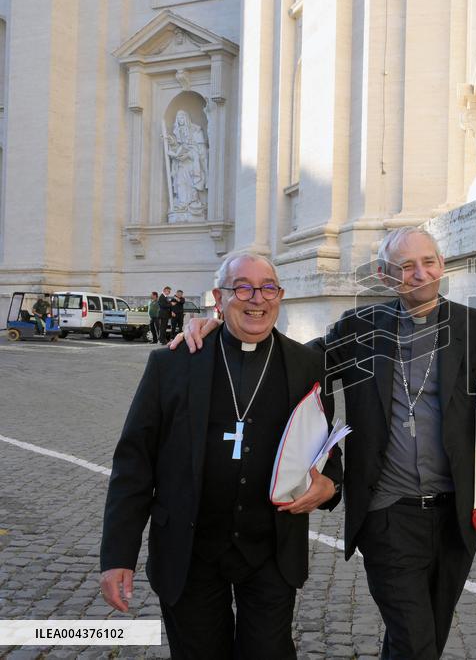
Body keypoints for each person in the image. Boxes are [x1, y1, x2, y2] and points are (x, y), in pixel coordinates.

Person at [177, 227, 476, 659]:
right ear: (385, 274)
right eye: (405, 266)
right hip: (387, 512)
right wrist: (220, 326)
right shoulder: (360, 328)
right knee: (416, 642)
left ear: (442, 265)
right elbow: (295, 361)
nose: (419, 274)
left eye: (428, 262)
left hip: (456, 514)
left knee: (427, 628)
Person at [101, 253, 342, 658]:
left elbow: (326, 446)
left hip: (270, 550)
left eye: (268, 288)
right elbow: (134, 463)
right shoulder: (172, 363)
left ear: (280, 296)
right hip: (189, 549)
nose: (257, 299)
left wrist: (330, 483)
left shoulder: (307, 364)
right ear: (219, 296)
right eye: (242, 288)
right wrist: (117, 556)